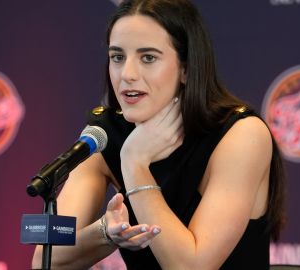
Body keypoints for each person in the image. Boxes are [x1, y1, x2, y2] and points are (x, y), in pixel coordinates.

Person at [32, 0, 285, 269]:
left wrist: (135, 163)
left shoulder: (240, 134)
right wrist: (106, 232)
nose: (127, 74)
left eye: (148, 58)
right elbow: (45, 262)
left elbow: (191, 266)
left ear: (186, 68)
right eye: (117, 57)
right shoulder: (104, 134)